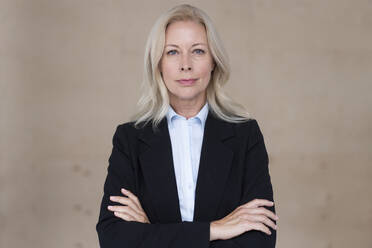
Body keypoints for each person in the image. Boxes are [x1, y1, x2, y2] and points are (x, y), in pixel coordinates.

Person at [96, 4, 278, 248]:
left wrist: (152, 232)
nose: (185, 64)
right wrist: (215, 229)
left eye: (198, 51)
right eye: (172, 52)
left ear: (214, 61)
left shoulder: (245, 135)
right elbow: (114, 238)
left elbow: (259, 240)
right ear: (158, 62)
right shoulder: (129, 139)